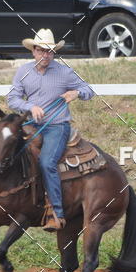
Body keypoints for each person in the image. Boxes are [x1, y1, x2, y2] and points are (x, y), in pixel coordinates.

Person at [7, 28, 95, 231]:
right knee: (11, 154)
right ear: (34, 51)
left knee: (47, 162)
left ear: (54, 53)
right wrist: (30, 107)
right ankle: (14, 202)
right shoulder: (24, 71)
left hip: (57, 125)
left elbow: (88, 90)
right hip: (31, 125)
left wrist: (76, 93)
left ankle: (56, 212)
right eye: (41, 51)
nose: (45, 55)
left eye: (50, 51)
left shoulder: (64, 72)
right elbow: (12, 98)